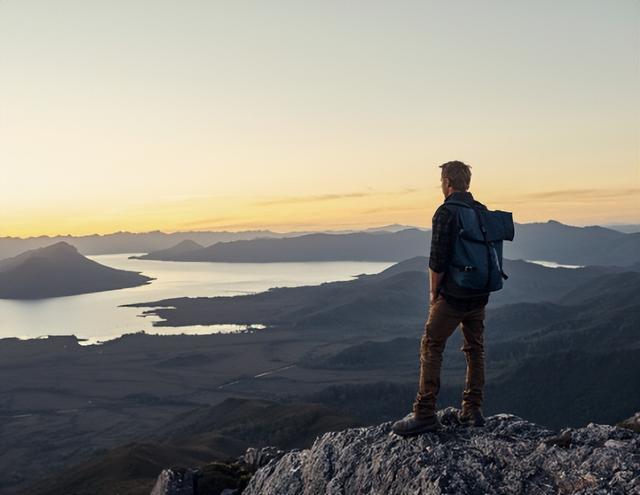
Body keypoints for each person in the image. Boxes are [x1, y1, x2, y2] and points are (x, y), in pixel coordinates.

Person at [392, 161, 491, 436]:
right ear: (466, 183)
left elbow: (437, 261)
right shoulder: (480, 211)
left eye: (441, 181)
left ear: (447, 182)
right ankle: (472, 410)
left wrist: (434, 294)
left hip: (454, 294)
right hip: (479, 293)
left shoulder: (446, 212)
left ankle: (424, 413)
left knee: (432, 344)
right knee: (475, 349)